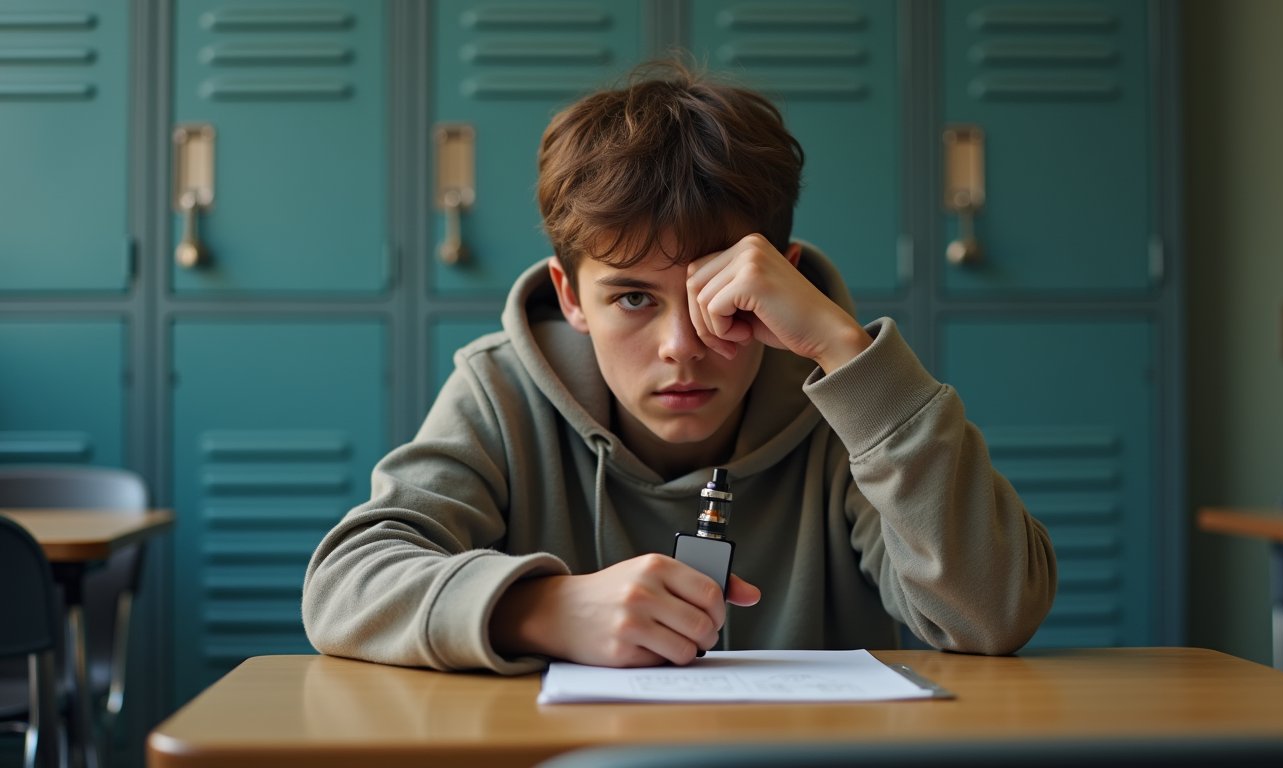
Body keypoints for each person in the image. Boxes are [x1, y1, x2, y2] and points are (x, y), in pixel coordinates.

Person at [302, 61, 1056, 674]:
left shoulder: (848, 405)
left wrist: (850, 356)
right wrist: (538, 609)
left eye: (720, 295)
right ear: (568, 296)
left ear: (780, 280)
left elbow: (989, 617)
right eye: (632, 297)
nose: (681, 346)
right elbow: (343, 584)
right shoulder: (502, 390)